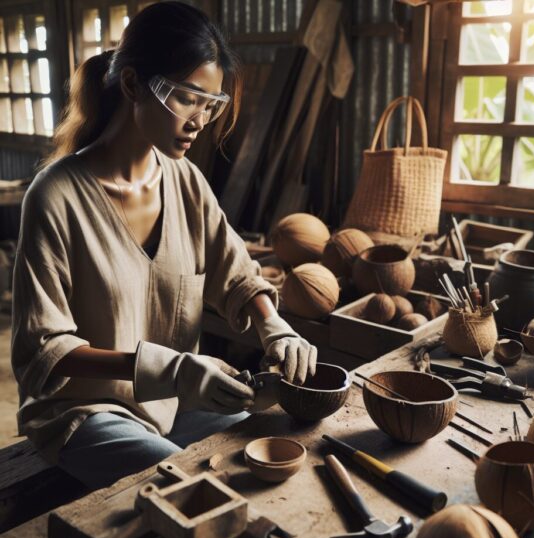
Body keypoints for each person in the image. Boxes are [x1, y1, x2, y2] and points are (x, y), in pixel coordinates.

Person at [11, 1, 317, 490]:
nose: (200, 120)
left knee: (265, 449)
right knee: (196, 487)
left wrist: (274, 326)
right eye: (186, 98)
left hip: (169, 406)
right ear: (132, 84)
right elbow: (45, 349)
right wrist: (171, 369)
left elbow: (236, 273)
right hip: (84, 413)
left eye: (210, 104)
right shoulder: (55, 196)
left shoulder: (186, 181)